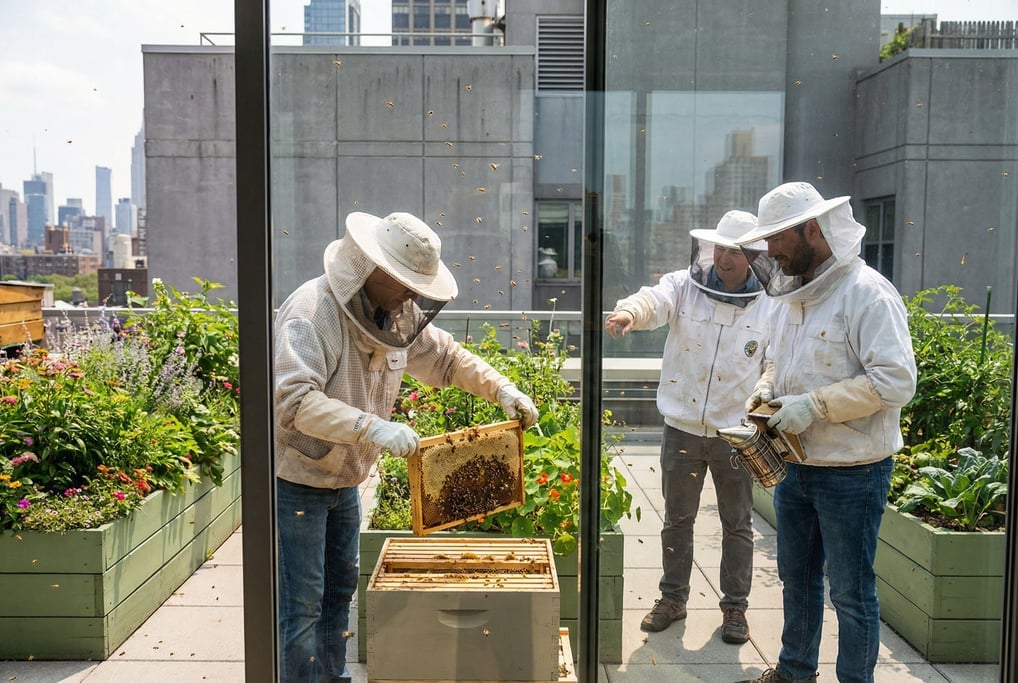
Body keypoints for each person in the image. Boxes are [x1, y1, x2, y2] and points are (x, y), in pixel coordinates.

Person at [273, 211, 539, 682]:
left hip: (347, 481)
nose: (414, 294)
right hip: (301, 481)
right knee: (302, 605)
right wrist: (371, 427)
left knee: (338, 593)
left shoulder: (399, 315)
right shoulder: (312, 312)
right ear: (375, 270)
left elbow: (447, 358)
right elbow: (293, 403)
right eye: (407, 283)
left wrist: (503, 389)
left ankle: (330, 678)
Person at [733, 182, 917, 683]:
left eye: (777, 238)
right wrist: (765, 392)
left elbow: (896, 381)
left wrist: (816, 405)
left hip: (853, 472)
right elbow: (778, 362)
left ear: (813, 228)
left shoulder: (867, 293)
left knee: (851, 593)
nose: (769, 251)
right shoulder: (791, 296)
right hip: (797, 466)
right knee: (798, 580)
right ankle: (795, 673)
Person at [604, 210, 771, 645]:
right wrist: (627, 313)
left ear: (753, 256)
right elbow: (652, 299)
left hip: (735, 433)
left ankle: (735, 608)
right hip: (682, 426)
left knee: (738, 523)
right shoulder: (684, 286)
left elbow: (776, 364)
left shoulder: (771, 305)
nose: (724, 257)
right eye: (719, 247)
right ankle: (672, 599)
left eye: (735, 250)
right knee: (677, 519)